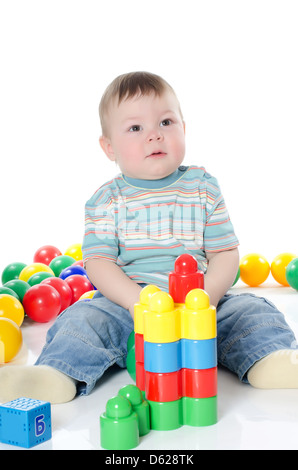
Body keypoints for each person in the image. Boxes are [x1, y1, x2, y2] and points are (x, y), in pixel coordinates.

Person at [0, 71, 297, 404]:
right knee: (84, 319)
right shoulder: (106, 201)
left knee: (250, 311)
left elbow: (225, 254)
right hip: (130, 302)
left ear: (185, 128)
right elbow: (98, 263)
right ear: (109, 147)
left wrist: (207, 299)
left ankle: (272, 359)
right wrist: (136, 303)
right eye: (136, 128)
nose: (154, 136)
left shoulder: (203, 187)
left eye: (166, 123)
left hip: (200, 298)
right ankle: (54, 375)